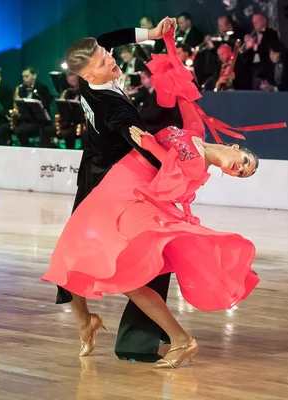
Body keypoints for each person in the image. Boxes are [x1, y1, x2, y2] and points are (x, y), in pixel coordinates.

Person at [42, 29, 285, 368]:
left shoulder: (196, 168)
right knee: (73, 253)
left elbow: (157, 162)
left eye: (241, 173)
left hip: (127, 187)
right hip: (108, 178)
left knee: (109, 267)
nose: (238, 168)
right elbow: (184, 97)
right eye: (244, 161)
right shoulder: (195, 133)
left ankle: (171, 338)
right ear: (234, 147)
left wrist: (146, 143)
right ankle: (90, 322)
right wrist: (161, 43)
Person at [53, 17, 178, 364]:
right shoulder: (114, 107)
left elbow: (108, 38)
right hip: (109, 187)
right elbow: (136, 139)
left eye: (106, 54)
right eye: (103, 60)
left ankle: (93, 324)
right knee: (138, 256)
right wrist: (171, 167)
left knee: (74, 254)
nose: (111, 58)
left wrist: (151, 35)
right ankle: (121, 331)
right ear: (90, 75)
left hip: (95, 175)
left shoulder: (93, 82)